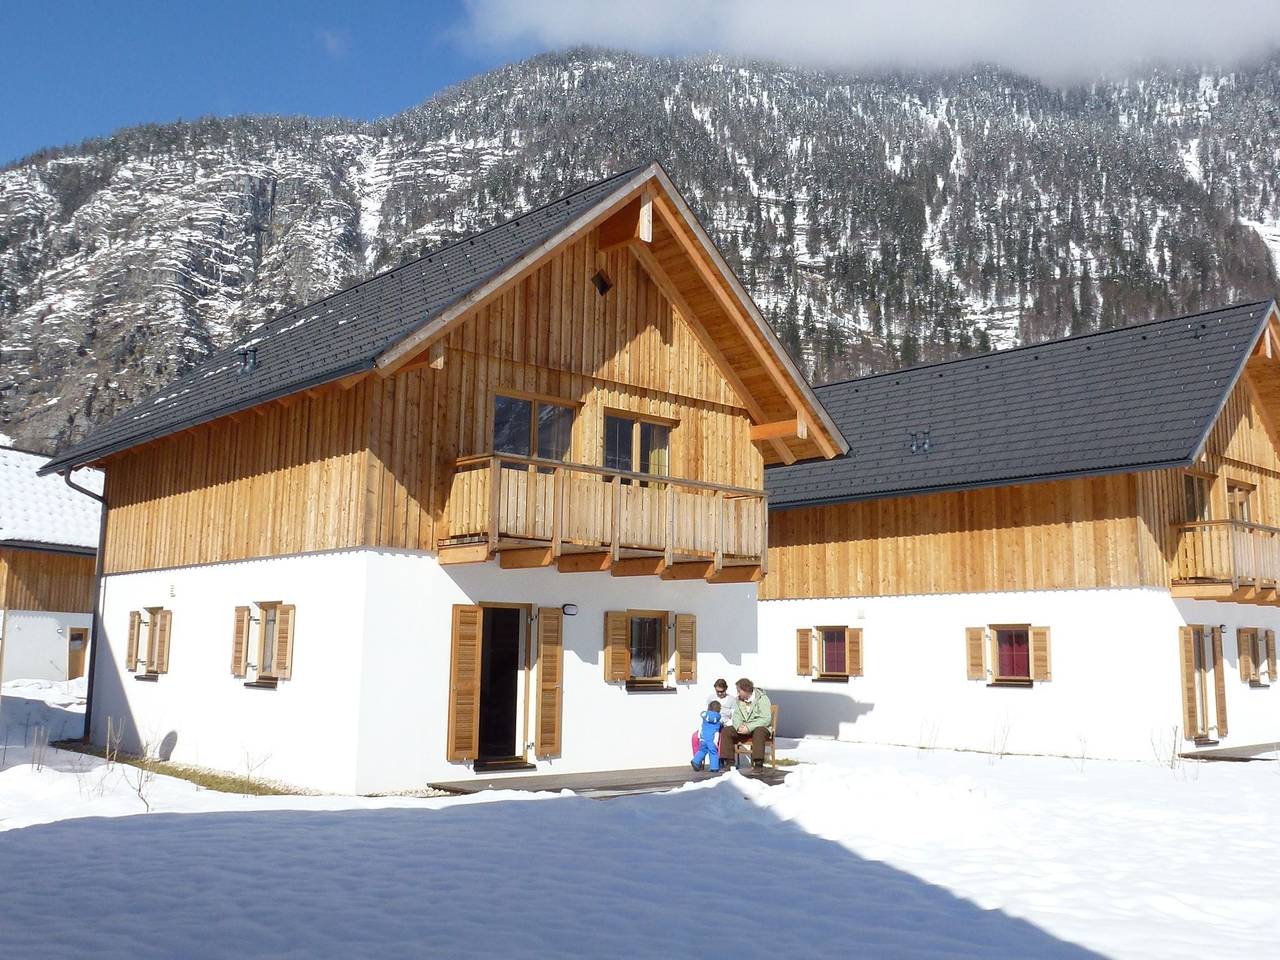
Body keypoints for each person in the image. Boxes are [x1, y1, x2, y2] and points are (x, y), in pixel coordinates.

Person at [722, 678, 772, 769]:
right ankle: (729, 762)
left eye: (739, 691)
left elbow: (766, 719)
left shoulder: (762, 698)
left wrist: (748, 727)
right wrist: (739, 727)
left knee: (759, 731)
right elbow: (736, 716)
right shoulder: (739, 700)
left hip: (759, 727)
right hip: (744, 728)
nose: (737, 693)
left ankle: (758, 764)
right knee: (726, 731)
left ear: (746, 690)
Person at [691, 701, 723, 772]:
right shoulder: (718, 718)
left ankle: (695, 761)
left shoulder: (705, 716)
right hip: (711, 740)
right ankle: (714, 767)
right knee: (713, 752)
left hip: (703, 738)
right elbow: (720, 725)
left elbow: (702, 714)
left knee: (702, 750)